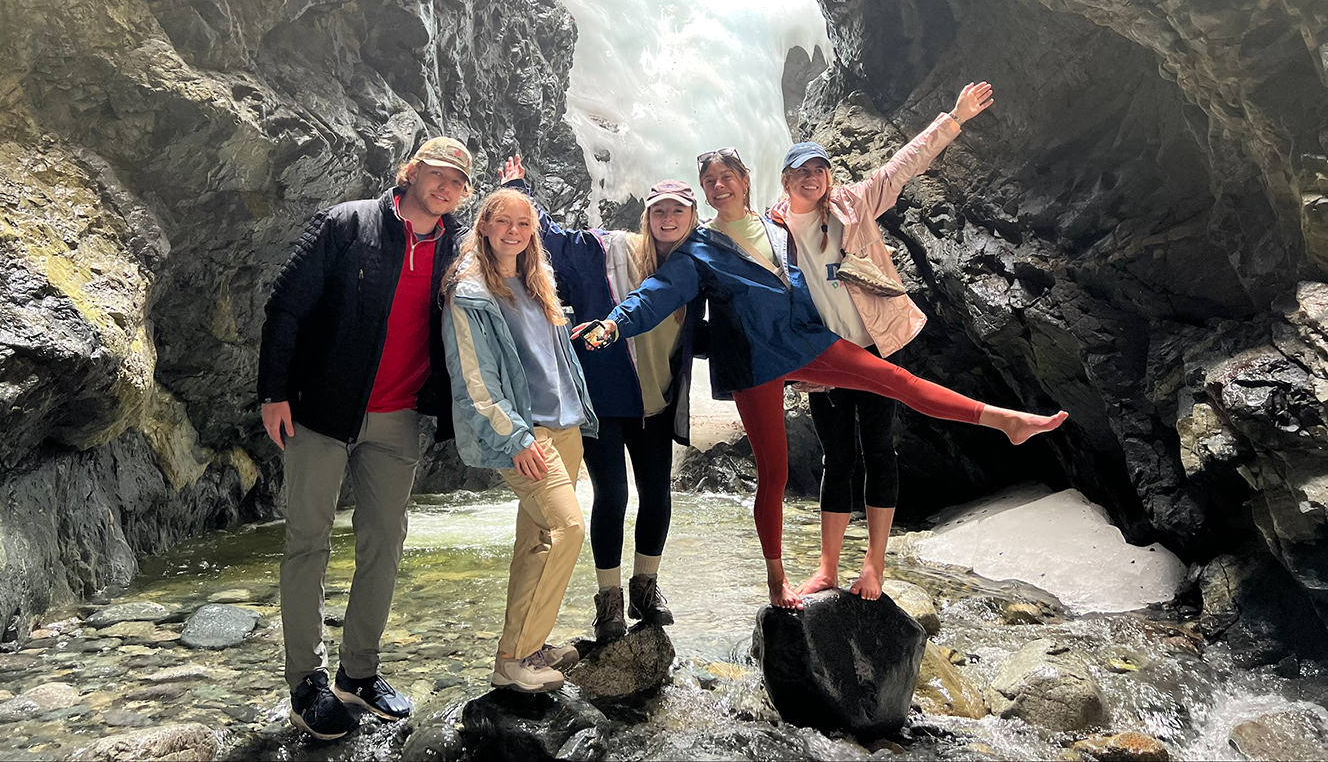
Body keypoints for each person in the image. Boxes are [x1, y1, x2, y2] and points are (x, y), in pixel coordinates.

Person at [576, 131, 1067, 609]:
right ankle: (776, 580)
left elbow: (832, 246)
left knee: (898, 381)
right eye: (710, 179)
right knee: (775, 474)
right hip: (755, 364)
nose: (719, 184)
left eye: (728, 175)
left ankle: (1004, 420)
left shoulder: (777, 226)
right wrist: (614, 324)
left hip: (808, 340)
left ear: (746, 181)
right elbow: (656, 295)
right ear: (704, 191)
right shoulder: (698, 249)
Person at [257, 136, 474, 739]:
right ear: (411, 173)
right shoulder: (346, 223)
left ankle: (359, 673)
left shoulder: (459, 248)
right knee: (308, 541)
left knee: (385, 541)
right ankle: (305, 680)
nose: (446, 187)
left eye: (458, 182)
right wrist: (273, 391)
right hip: (320, 413)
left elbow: (520, 253)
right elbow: (285, 306)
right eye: (437, 174)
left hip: (399, 416)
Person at [770, 82, 993, 602]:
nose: (812, 178)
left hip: (871, 348)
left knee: (879, 450)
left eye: (819, 169)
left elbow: (901, 166)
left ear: (829, 176)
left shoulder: (853, 203)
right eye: (802, 171)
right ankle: (826, 569)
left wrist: (954, 118)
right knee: (836, 457)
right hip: (821, 360)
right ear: (785, 180)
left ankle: (874, 566)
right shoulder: (772, 230)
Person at [498, 155, 705, 641]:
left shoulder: (699, 265)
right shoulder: (610, 250)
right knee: (612, 494)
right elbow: (552, 239)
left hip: (656, 400)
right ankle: (608, 598)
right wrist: (519, 188)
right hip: (603, 399)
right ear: (647, 217)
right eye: (659, 211)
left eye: (677, 211)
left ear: (692, 217)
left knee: (657, 493)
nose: (668, 219)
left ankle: (645, 585)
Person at [443, 187, 600, 693]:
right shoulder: (469, 293)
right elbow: (474, 379)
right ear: (484, 227)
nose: (514, 231)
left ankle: (523, 648)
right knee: (569, 530)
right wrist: (516, 437)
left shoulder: (539, 282)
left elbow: (557, 359)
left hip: (566, 426)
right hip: (525, 435)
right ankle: (514, 661)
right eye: (503, 222)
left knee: (535, 542)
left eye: (524, 224)